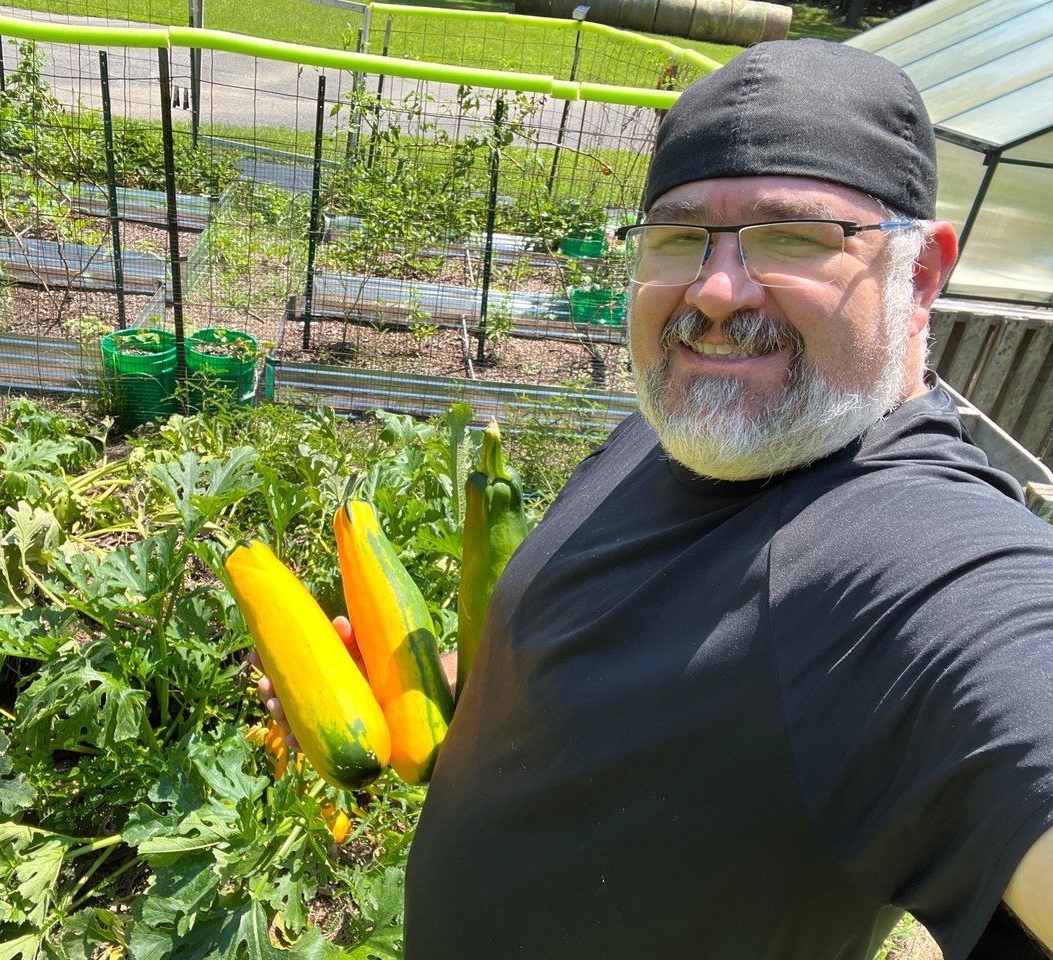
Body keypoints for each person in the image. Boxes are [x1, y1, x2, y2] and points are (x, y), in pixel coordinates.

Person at [261, 39, 1053, 959]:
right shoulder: (681, 426)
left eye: (792, 235)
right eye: (679, 237)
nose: (715, 292)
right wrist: (457, 703)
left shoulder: (913, 558)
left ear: (919, 273)